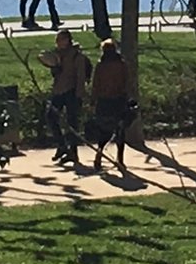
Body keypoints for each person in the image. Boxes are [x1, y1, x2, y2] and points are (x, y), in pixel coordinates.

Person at [38, 27, 88, 163]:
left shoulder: (77, 56)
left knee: (72, 123)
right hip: (59, 90)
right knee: (50, 116)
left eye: (60, 40)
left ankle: (73, 151)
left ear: (67, 40)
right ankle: (61, 145)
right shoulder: (57, 55)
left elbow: (81, 75)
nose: (58, 42)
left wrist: (79, 93)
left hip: (72, 91)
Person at [89, 37, 134, 168]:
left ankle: (99, 153)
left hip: (103, 101)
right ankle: (120, 159)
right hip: (119, 99)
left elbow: (95, 84)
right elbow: (127, 82)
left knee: (103, 129)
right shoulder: (122, 65)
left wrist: (93, 100)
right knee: (120, 130)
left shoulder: (100, 65)